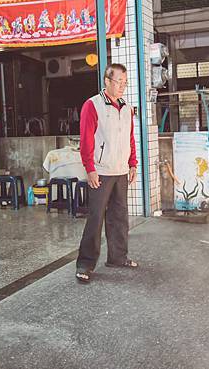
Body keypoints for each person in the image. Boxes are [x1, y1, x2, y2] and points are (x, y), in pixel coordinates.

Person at [75, 63, 138, 282]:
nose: (122, 86)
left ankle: (118, 257)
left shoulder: (127, 108)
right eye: (118, 82)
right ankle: (85, 264)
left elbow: (129, 138)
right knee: (95, 218)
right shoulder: (92, 105)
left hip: (120, 170)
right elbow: (86, 140)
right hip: (100, 172)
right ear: (107, 81)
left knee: (119, 217)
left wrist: (132, 163)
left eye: (125, 82)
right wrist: (90, 169)